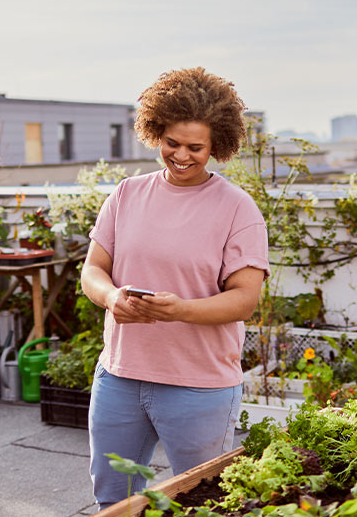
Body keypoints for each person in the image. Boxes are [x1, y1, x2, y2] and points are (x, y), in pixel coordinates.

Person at [81, 67, 269, 509]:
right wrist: (111, 298)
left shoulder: (238, 209)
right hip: (120, 377)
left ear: (217, 146)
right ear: (155, 133)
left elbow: (245, 299)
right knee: (113, 498)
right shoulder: (126, 194)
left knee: (200, 502)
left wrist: (180, 309)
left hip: (198, 385)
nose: (181, 155)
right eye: (172, 143)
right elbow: (92, 270)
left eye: (195, 147)